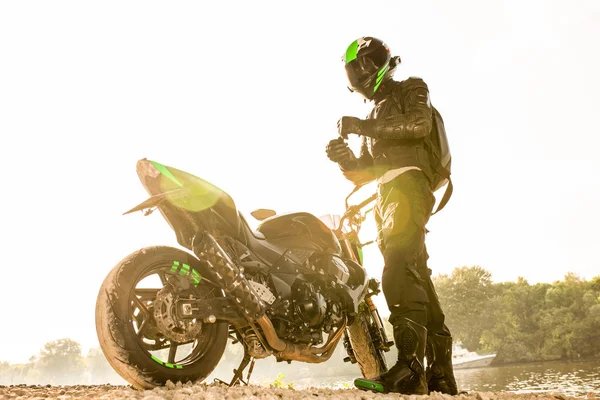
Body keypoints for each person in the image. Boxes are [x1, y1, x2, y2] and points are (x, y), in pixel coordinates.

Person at [326, 36, 458, 395]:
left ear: (375, 63)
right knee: (416, 274)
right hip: (387, 193)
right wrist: (343, 158)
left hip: (410, 185)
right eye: (352, 69)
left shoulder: (412, 89)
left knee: (398, 268)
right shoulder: (371, 113)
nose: (357, 74)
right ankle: (441, 376)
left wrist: (361, 127)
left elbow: (418, 125)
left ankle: (410, 370)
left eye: (360, 66)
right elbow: (367, 170)